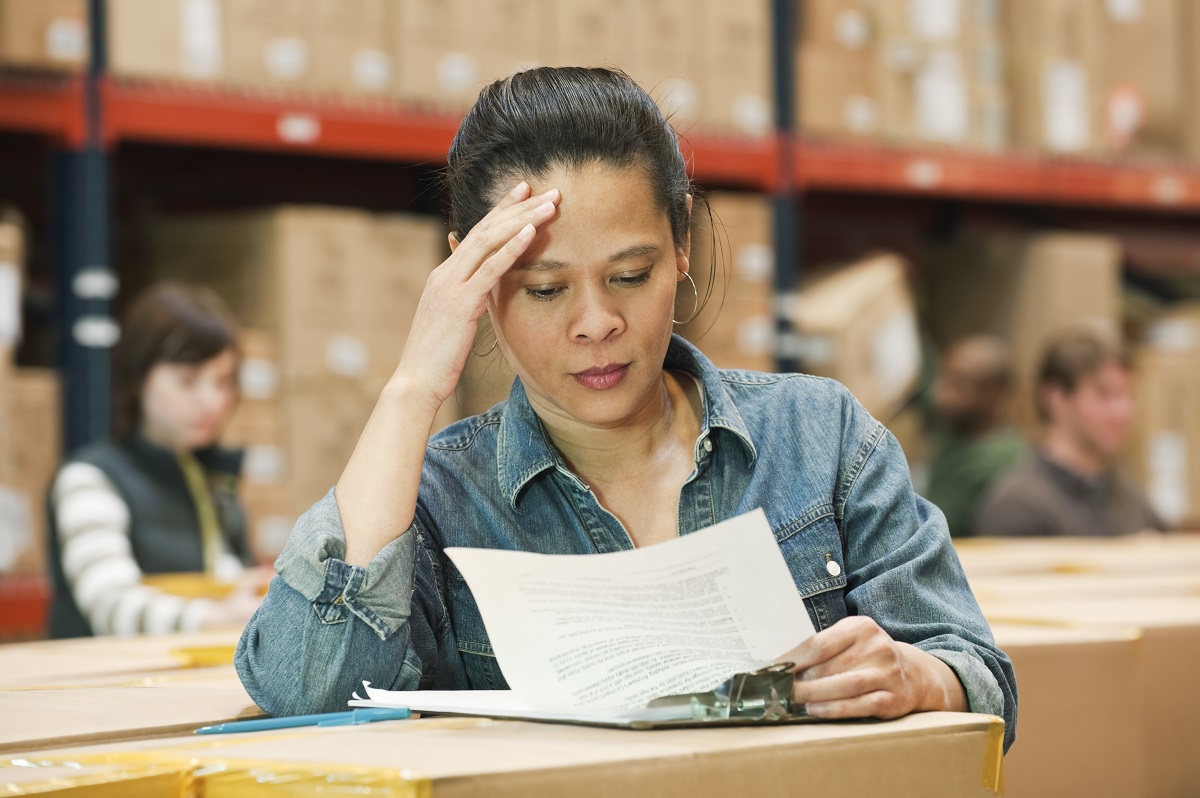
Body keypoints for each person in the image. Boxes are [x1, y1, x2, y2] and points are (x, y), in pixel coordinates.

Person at [235, 67, 1016, 751]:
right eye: (544, 289)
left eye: (632, 275)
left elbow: (981, 678)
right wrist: (411, 387)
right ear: (473, 275)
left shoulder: (821, 437)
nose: (596, 323)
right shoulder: (437, 504)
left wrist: (918, 678)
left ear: (680, 246)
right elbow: (304, 697)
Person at [47, 283, 268, 638]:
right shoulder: (88, 479)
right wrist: (213, 618)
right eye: (188, 380)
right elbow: (110, 604)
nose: (212, 400)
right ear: (138, 378)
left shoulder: (212, 480)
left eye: (224, 381)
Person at [976, 325, 1163, 537]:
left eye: (1128, 395)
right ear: (1056, 398)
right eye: (1104, 394)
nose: (1122, 412)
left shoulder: (1131, 499)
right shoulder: (1018, 506)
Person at [924, 336, 1027, 537]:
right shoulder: (957, 435)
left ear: (992, 394)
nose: (943, 395)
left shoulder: (996, 464)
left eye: (960, 384)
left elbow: (934, 532)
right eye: (945, 378)